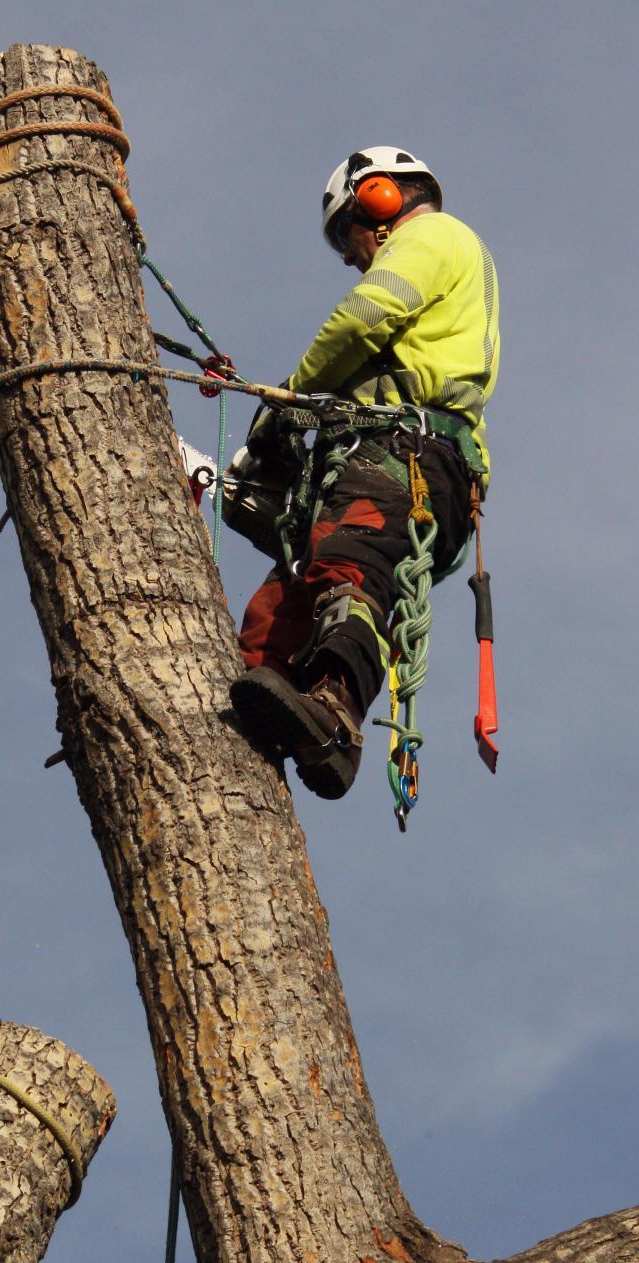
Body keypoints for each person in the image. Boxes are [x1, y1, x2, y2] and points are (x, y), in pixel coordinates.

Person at [229, 146, 500, 799]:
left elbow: (365, 317)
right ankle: (268, 705)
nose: (351, 256)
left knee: (349, 566)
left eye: (345, 235)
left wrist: (288, 400)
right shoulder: (445, 266)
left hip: (407, 455)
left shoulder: (433, 234)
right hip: (385, 455)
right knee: (281, 606)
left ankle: (334, 718)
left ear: (380, 199)